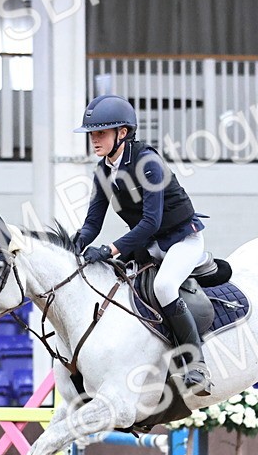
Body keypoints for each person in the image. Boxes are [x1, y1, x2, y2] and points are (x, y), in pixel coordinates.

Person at [71, 94, 212, 396]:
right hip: (148, 244)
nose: (94, 140)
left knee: (164, 288)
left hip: (181, 239)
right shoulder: (102, 171)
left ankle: (196, 364)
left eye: (101, 133)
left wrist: (109, 250)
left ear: (122, 133)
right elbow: (92, 223)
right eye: (92, 134)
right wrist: (74, 247)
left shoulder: (148, 162)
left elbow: (150, 221)